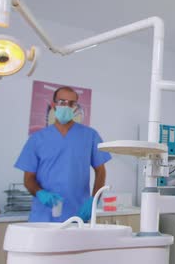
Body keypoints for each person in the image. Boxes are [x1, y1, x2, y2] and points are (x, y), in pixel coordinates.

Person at [15, 86, 111, 222]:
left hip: (77, 215)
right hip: (43, 216)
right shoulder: (37, 139)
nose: (67, 106)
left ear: (75, 108)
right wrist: (40, 193)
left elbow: (100, 171)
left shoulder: (90, 136)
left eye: (71, 103)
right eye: (62, 102)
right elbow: (28, 178)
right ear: (54, 104)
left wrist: (94, 201)